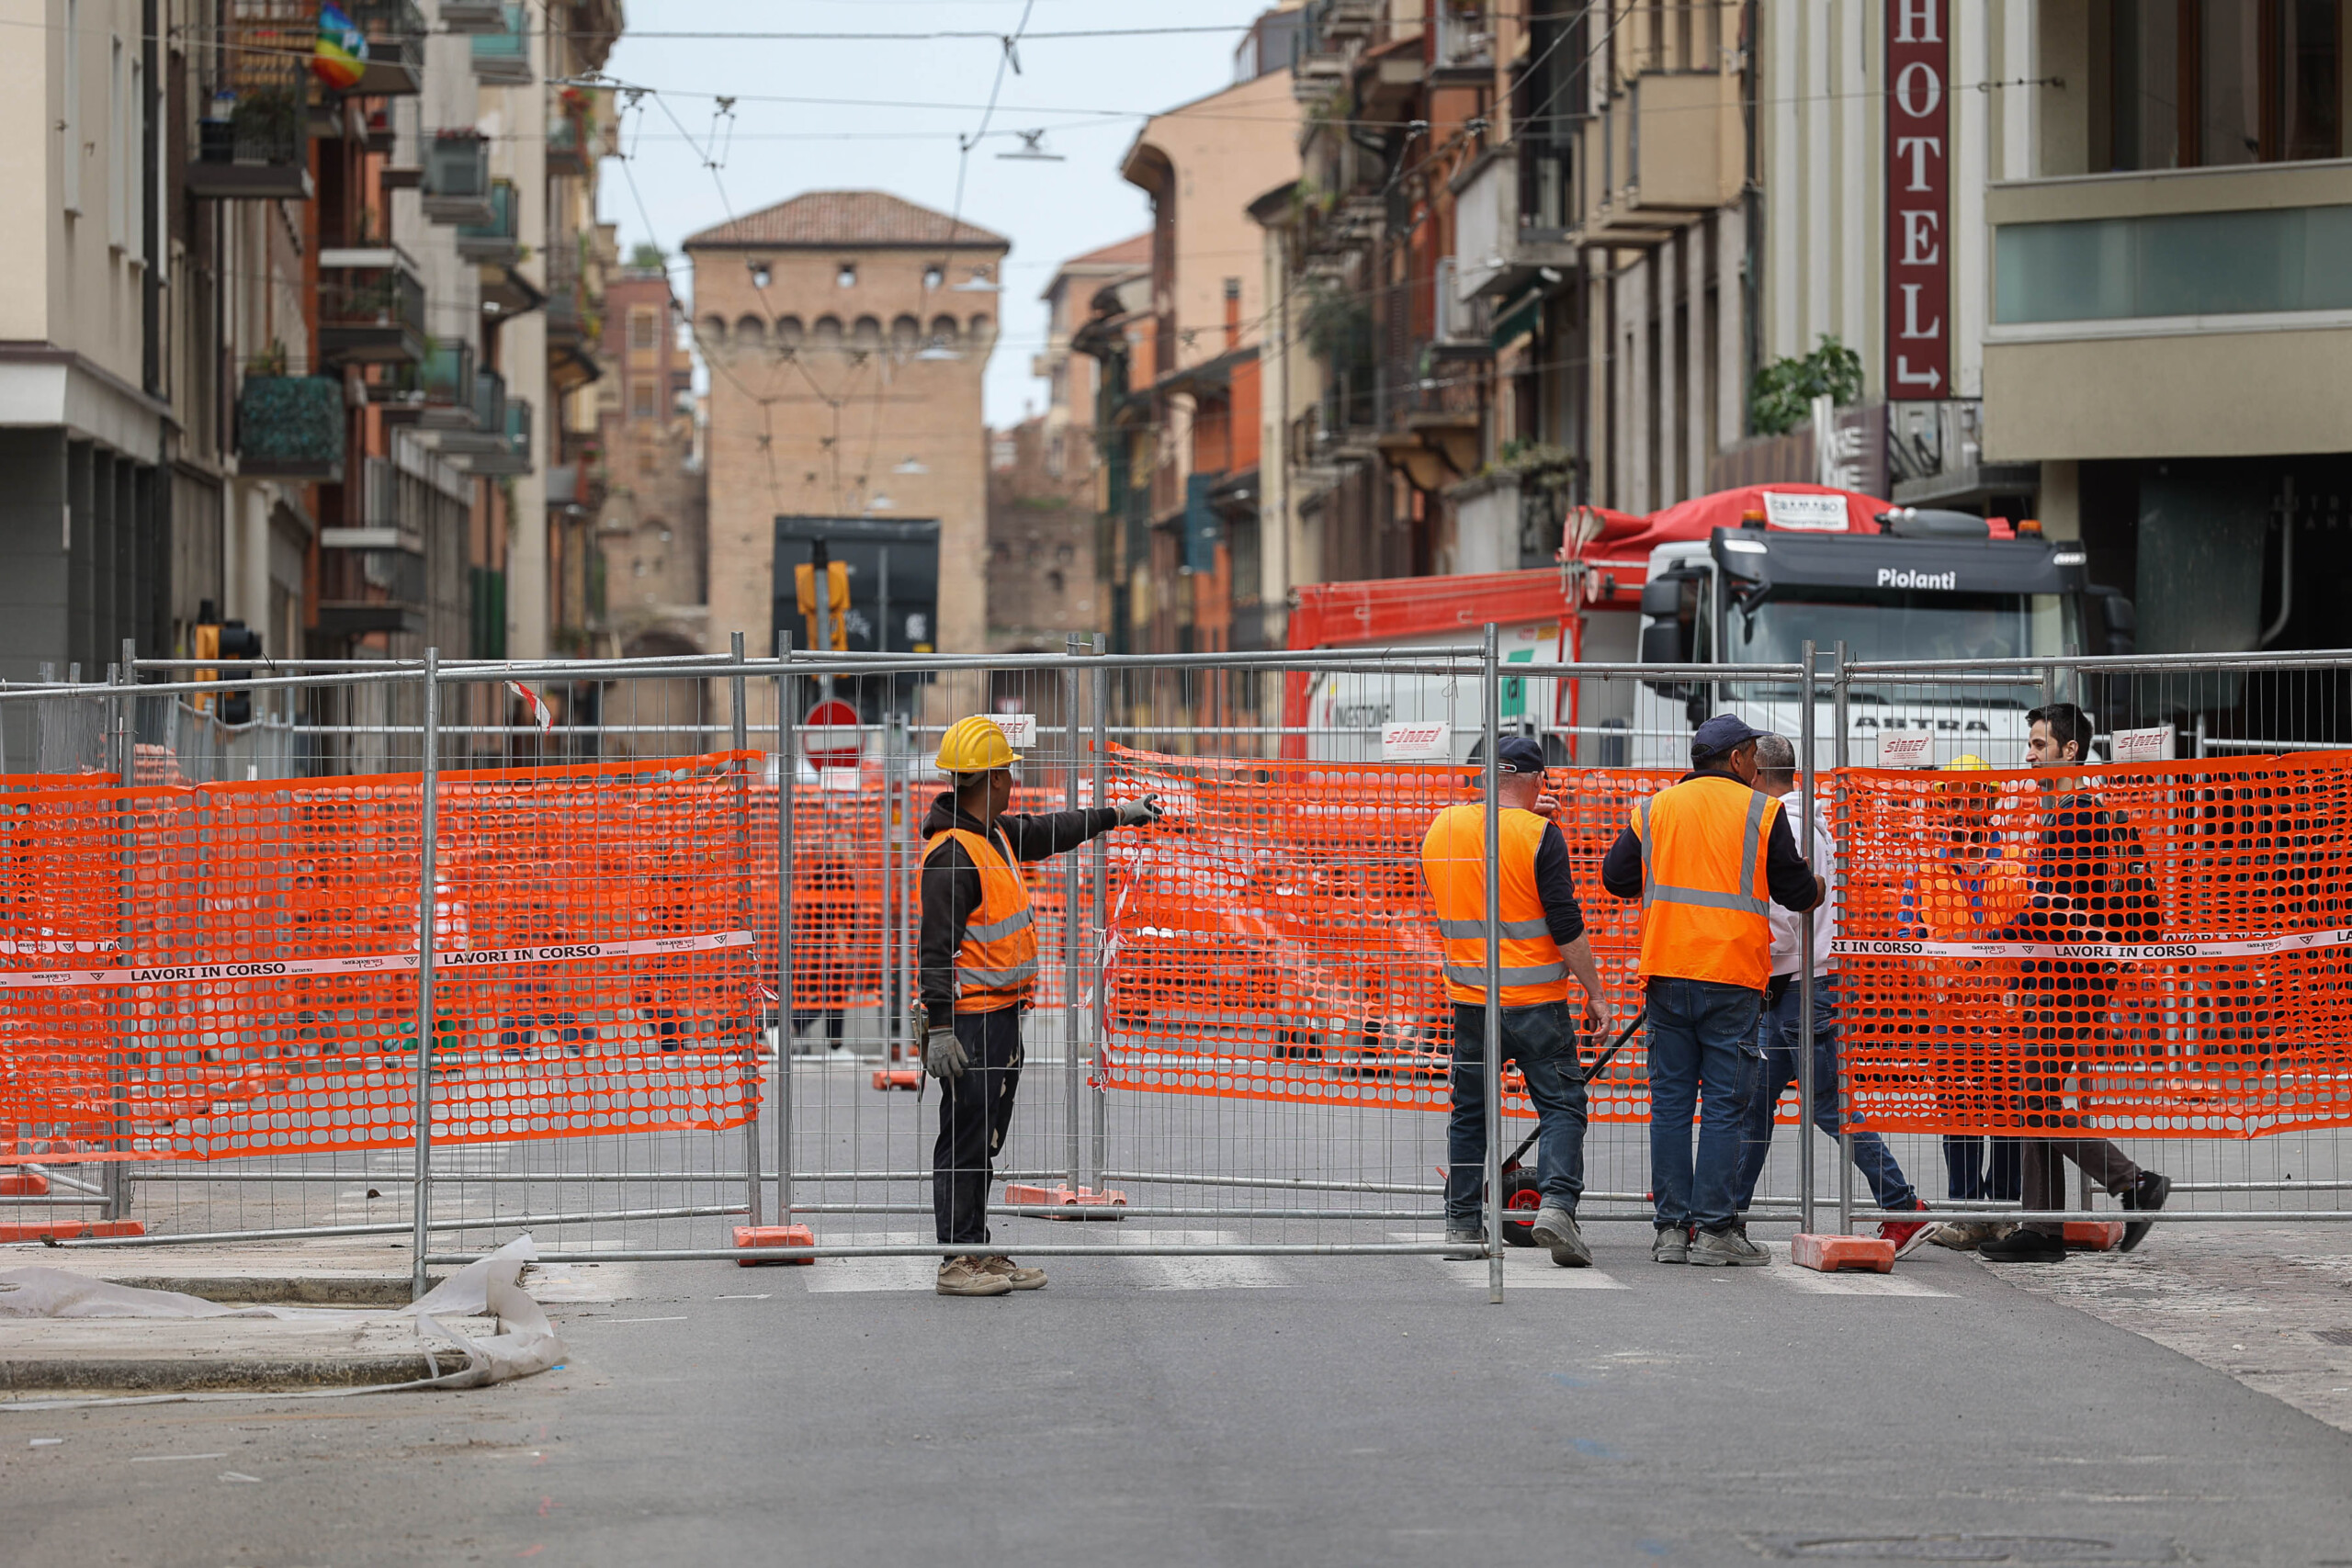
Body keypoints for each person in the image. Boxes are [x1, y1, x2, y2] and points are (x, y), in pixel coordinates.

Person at [918, 715, 1162, 1297]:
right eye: (1009, 774)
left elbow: (1056, 829)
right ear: (995, 778)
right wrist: (941, 1029)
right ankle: (957, 1259)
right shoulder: (953, 855)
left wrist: (1118, 815)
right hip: (971, 1022)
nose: (1013, 784)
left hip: (1001, 1016)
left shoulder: (994, 835)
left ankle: (975, 1247)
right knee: (965, 1137)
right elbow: (934, 951)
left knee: (985, 1137)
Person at [1601, 715, 1824, 1267]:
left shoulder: (1655, 808)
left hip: (1668, 973)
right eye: (1751, 755)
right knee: (1725, 1106)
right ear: (1740, 759)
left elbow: (1616, 877)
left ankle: (1671, 1231)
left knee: (1672, 1105)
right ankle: (1716, 1231)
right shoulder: (1762, 811)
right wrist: (1818, 885)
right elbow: (1796, 891)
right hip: (1731, 977)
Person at [1978, 703, 2171, 1263]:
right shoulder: (2107, 818)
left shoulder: (2070, 816)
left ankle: (2132, 1182)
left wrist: (1996, 940)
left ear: (2071, 751)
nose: (2030, 753)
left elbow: (2049, 905)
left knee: (2027, 1096)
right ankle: (2042, 1228)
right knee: (2032, 1095)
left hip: (2063, 980)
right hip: (2084, 978)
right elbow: (2148, 916)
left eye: (2040, 744)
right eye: (2031, 742)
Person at [1730, 734, 1936, 1255]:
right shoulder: (1806, 820)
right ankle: (1725, 1214)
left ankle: (1901, 1205)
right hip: (1796, 985)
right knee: (1759, 1105)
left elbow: (1782, 916)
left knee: (1828, 1107)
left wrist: (1742, 949)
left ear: (1757, 773)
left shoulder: (1786, 824)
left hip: (1797, 984)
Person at [1419, 735, 1611, 1267]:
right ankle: (1556, 1208)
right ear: (1534, 781)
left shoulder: (1442, 829)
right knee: (1562, 1106)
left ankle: (1461, 1224)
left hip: (1470, 1002)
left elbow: (1469, 883)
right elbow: (1564, 921)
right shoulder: (1539, 835)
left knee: (1471, 1113)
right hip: (1536, 1003)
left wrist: (1520, 822)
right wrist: (1596, 993)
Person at [1921, 755, 2026, 1251]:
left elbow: (2033, 931)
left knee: (2006, 1112)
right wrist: (1933, 972)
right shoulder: (1928, 870)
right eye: (1954, 801)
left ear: (1989, 806)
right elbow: (1906, 933)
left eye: (1974, 801)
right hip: (1952, 1011)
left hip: (2005, 1011)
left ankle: (2003, 1211)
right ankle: (1965, 1209)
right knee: (1958, 1112)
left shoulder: (2015, 866)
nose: (1964, 811)